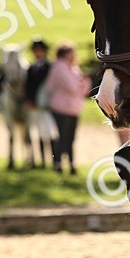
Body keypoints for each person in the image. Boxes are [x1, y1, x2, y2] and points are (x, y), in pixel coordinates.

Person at [43, 43, 92, 174]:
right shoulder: (59, 67)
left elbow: (84, 89)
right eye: (72, 52)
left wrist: (82, 83)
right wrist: (82, 82)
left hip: (73, 109)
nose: (74, 55)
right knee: (61, 137)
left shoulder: (74, 68)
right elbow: (73, 86)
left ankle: (71, 163)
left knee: (70, 138)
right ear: (64, 54)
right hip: (60, 108)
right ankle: (58, 163)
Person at [24, 38, 57, 168]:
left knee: (50, 133)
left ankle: (55, 160)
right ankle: (42, 161)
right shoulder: (31, 68)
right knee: (38, 133)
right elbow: (28, 86)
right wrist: (29, 100)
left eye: (40, 50)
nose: (38, 53)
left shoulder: (50, 67)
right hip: (34, 106)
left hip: (47, 106)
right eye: (35, 51)